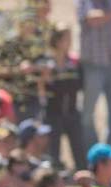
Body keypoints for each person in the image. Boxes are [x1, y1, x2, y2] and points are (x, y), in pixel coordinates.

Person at [77, 0, 111, 147]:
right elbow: (92, 19)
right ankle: (92, 149)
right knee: (88, 112)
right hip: (93, 65)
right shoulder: (85, 2)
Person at [44, 23, 84, 170]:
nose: (69, 41)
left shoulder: (74, 61)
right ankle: (56, 173)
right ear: (57, 40)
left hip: (72, 110)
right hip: (53, 112)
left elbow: (79, 84)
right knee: (53, 148)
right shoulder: (47, 63)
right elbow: (46, 87)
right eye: (66, 38)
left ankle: (81, 170)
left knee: (78, 146)